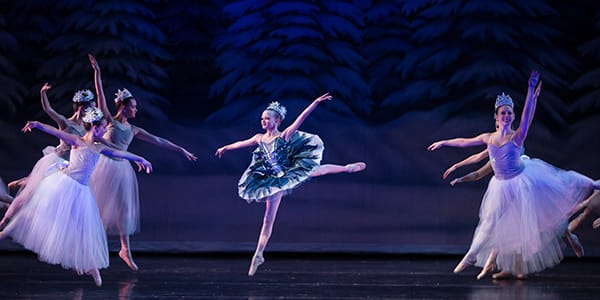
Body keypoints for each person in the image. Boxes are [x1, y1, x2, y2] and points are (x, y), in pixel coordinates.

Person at [428, 70, 600, 279]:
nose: (507, 116)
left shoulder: (517, 137)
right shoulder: (489, 138)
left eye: (510, 113)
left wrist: (530, 90)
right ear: (497, 118)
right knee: (489, 222)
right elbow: (466, 142)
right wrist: (445, 143)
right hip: (500, 186)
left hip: (521, 182)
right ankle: (472, 255)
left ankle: (595, 184)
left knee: (566, 180)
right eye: (503, 113)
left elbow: (528, 114)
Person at [215, 93, 366, 276]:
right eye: (262, 119)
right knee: (268, 218)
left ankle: (346, 168)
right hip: (271, 180)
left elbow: (300, 119)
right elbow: (242, 143)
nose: (263, 121)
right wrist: (226, 147)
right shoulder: (259, 138)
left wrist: (315, 103)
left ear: (277, 120)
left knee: (317, 170)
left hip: (287, 174)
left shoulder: (285, 135)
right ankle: (259, 253)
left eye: (267, 118)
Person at [0, 107, 152, 286]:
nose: (105, 131)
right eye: (103, 128)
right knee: (33, 213)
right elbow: (54, 131)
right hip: (63, 185)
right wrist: (37, 124)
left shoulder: (99, 147)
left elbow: (120, 153)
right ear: (95, 128)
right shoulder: (76, 141)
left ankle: (90, 267)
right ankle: (3, 232)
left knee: (81, 230)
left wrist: (140, 159)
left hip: (82, 191)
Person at [88, 54, 197, 271]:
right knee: (97, 208)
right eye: (134, 106)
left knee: (124, 209)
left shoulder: (134, 129)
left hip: (122, 169)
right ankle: (89, 248)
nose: (136, 110)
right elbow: (100, 96)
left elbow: (158, 140)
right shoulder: (109, 120)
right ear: (124, 107)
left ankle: (124, 250)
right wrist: (97, 73)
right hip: (105, 166)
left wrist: (180, 149)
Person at [0, 84, 103, 228]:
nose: (88, 111)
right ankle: (5, 220)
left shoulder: (89, 128)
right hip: (58, 161)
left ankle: (23, 183)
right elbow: (48, 110)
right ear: (79, 106)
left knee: (50, 199)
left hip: (71, 167)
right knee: (29, 194)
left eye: (91, 108)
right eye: (86, 107)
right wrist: (42, 93)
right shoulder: (65, 122)